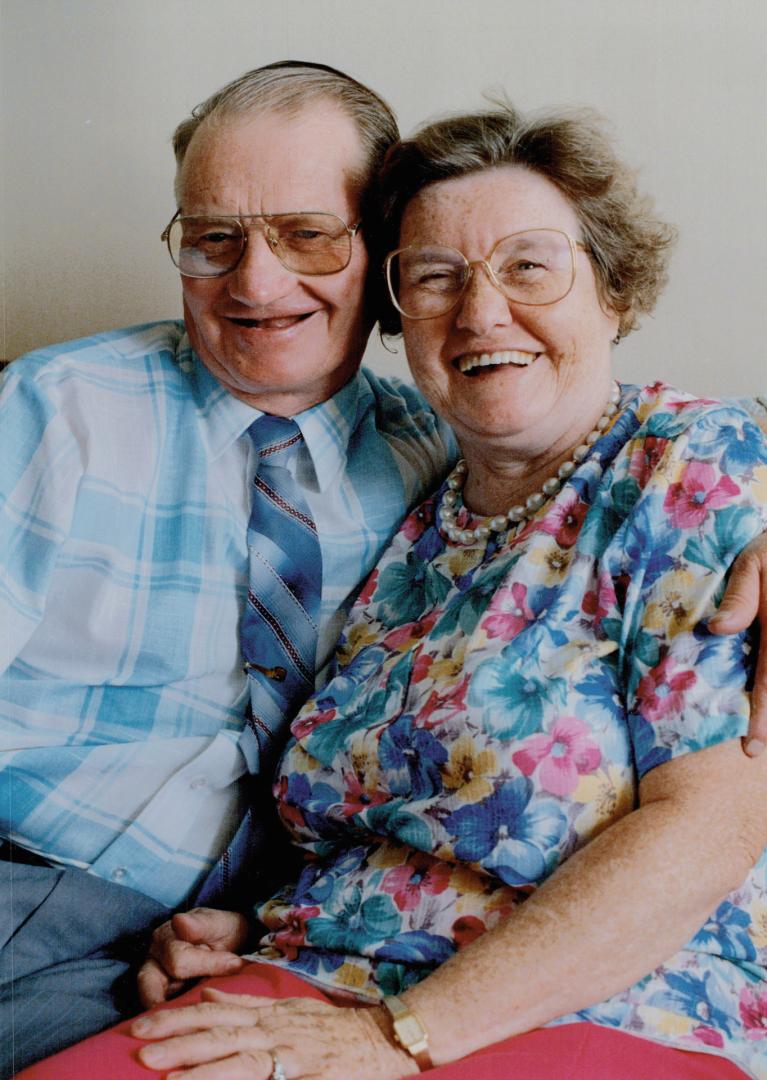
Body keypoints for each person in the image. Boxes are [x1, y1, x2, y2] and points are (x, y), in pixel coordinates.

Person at [22, 103, 767, 1080]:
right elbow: (405, 826)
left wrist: (398, 1036)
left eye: (528, 265)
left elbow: (708, 823)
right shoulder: (415, 511)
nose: (480, 311)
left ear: (613, 289)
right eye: (433, 277)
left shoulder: (692, 469)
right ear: (394, 314)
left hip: (602, 1000)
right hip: (316, 973)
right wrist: (244, 925)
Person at [0, 61, 460, 1075]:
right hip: (26, 882)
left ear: (385, 253)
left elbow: (630, 452)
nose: (254, 285)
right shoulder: (57, 410)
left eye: (306, 236)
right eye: (215, 240)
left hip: (253, 939)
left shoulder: (445, 454)